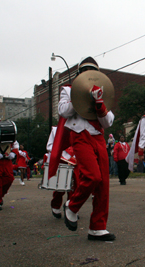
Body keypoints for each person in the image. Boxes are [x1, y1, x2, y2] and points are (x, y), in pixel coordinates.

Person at [57, 56, 116, 241]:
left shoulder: (102, 91)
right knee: (92, 176)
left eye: (92, 70)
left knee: (103, 184)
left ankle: (97, 228)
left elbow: (108, 122)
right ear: (78, 74)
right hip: (79, 135)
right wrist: (81, 96)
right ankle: (72, 206)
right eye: (84, 70)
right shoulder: (68, 90)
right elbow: (63, 111)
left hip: (98, 137)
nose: (88, 73)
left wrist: (99, 103)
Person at [46, 126, 79, 219]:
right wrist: (64, 153)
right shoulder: (56, 130)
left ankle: (72, 208)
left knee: (74, 187)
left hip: (75, 160)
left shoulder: (78, 128)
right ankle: (56, 205)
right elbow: (49, 146)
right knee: (60, 187)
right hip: (62, 160)